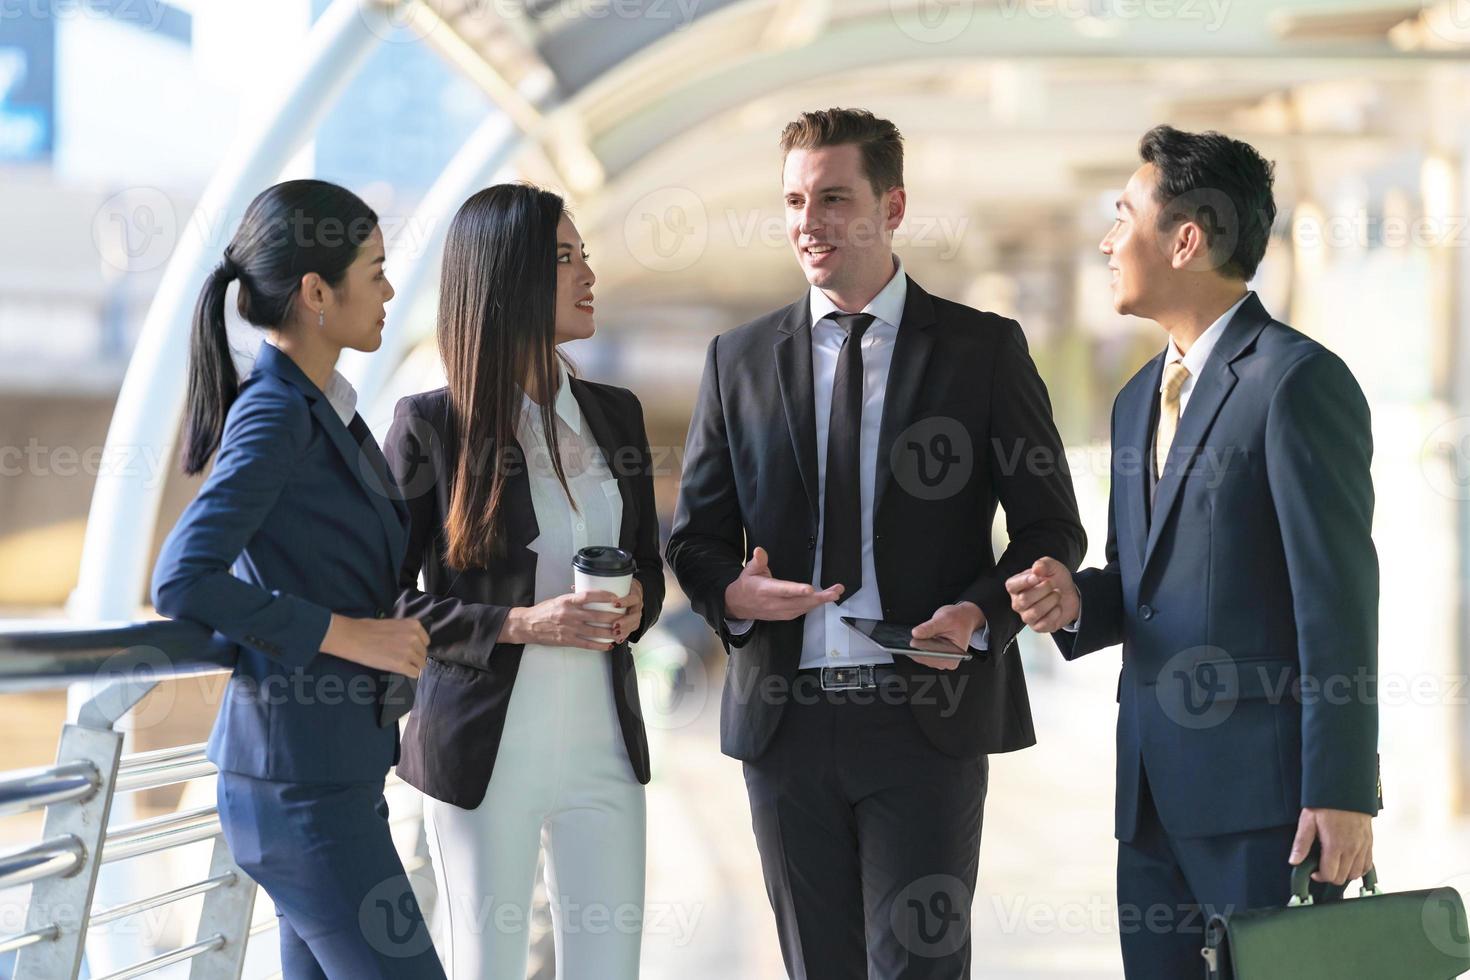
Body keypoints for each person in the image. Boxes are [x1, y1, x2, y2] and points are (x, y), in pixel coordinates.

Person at [666, 108, 1085, 978]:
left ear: (892, 207)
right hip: (786, 721)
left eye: (832, 198)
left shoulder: (983, 350)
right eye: (793, 201)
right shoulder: (736, 360)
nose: (807, 224)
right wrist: (732, 596)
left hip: (923, 717)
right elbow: (695, 541)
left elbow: (1050, 527)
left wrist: (976, 614)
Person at [1007, 125, 1380, 977]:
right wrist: (1075, 601)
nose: (1107, 242)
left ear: (1187, 238)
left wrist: (1343, 790)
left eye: (1124, 217)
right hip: (1148, 803)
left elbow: (1340, 603)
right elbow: (1141, 585)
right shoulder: (1138, 400)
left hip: (1266, 807)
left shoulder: (1295, 382)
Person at [151, 179, 446, 978]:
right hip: (300, 792)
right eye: (376, 271)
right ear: (318, 291)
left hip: (331, 773)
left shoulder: (327, 409)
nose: (389, 291)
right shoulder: (276, 412)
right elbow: (182, 578)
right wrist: (353, 636)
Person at [382, 183, 665, 979]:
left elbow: (646, 560)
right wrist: (518, 624)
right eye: (565, 259)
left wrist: (641, 599)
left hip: (604, 747)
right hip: (483, 750)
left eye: (585, 256)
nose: (588, 275)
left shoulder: (617, 416)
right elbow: (381, 599)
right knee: (487, 967)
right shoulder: (429, 427)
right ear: (507, 279)